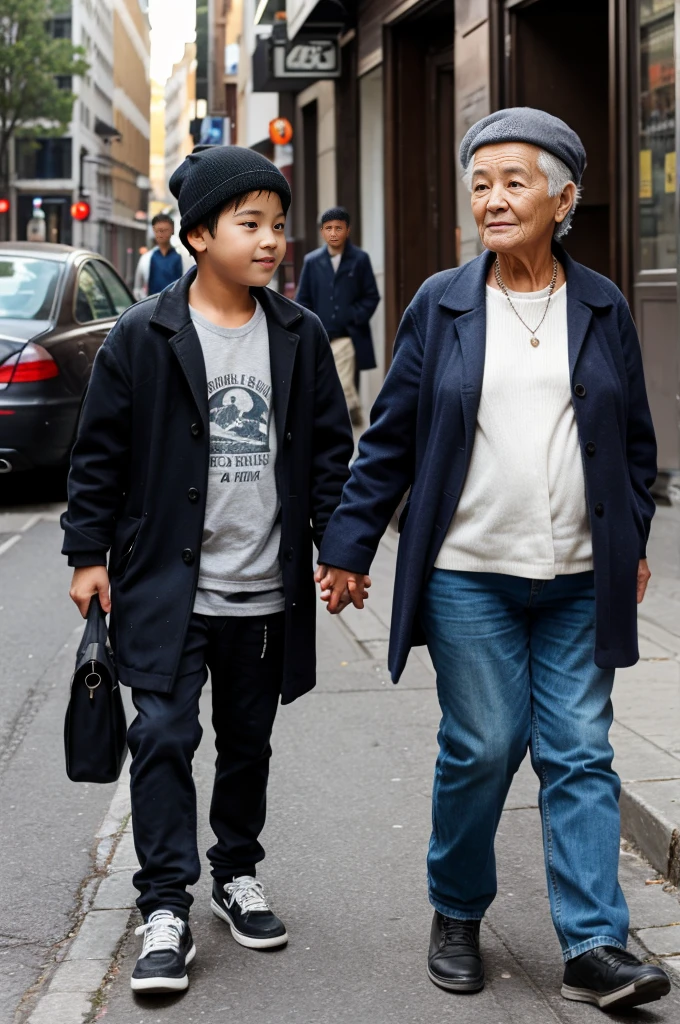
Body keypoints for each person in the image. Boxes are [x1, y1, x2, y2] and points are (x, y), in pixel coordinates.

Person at [315, 108, 670, 1013]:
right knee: (482, 745)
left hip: (580, 579)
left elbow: (634, 444)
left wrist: (629, 538)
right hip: (468, 572)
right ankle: (457, 908)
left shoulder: (601, 304)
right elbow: (391, 438)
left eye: (516, 181)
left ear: (564, 196)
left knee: (580, 753)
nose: (494, 199)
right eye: (481, 184)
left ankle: (594, 945)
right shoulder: (443, 301)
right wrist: (349, 548)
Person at [62, 145, 353, 995]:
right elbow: (98, 454)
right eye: (250, 224)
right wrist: (87, 553)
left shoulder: (298, 334)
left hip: (265, 587)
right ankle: (163, 904)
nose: (272, 242)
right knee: (161, 734)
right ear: (198, 235)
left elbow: (332, 455)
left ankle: (234, 871)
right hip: (164, 585)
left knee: (248, 742)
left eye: (279, 226)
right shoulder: (144, 333)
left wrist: (338, 549)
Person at [296, 206, 380, 425]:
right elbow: (302, 299)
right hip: (321, 337)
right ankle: (351, 412)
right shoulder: (312, 262)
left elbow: (371, 296)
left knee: (342, 383)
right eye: (328, 228)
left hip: (348, 336)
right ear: (322, 232)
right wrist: (312, 325)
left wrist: (353, 316)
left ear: (347, 230)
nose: (333, 233)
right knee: (325, 385)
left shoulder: (360, 259)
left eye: (338, 228)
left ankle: (346, 418)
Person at [133, 212, 184, 299]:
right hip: (152, 306)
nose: (162, 234)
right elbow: (137, 288)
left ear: (172, 231)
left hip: (176, 306)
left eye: (165, 230)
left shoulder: (181, 257)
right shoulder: (146, 258)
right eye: (159, 230)